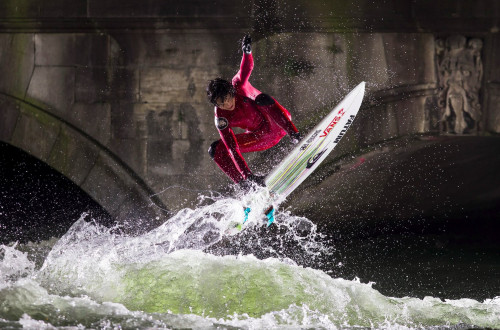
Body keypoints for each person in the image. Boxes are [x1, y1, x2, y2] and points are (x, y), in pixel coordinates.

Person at [206, 35, 302, 188]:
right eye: (221, 104)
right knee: (216, 150)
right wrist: (247, 175)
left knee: (261, 98)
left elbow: (246, 69)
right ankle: (246, 184)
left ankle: (296, 136)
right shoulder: (221, 117)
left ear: (231, 91)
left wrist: (247, 53)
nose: (228, 105)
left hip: (279, 124)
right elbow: (232, 148)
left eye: (228, 99)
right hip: (261, 138)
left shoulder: (238, 85)